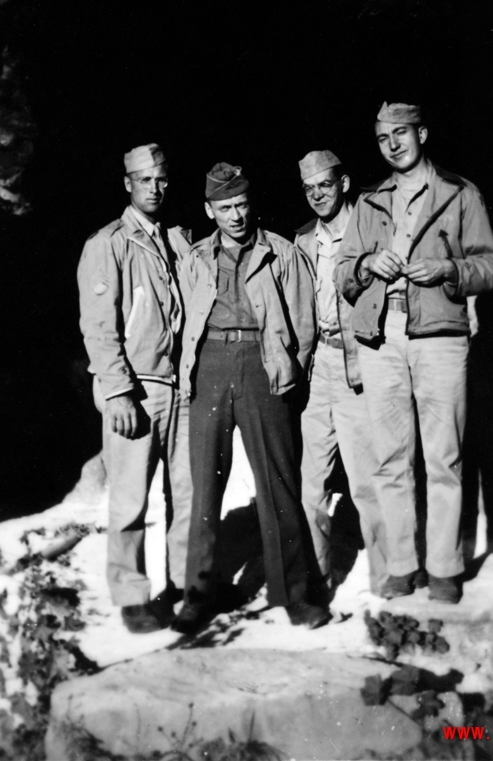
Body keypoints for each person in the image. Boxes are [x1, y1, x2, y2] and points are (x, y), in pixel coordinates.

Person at [335, 103, 493, 604]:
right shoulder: (369, 203)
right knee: (391, 458)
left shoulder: (459, 193)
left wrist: (448, 269)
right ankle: (403, 565)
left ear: (422, 134)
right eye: (383, 136)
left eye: (401, 133)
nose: (392, 144)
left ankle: (446, 567)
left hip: (440, 338)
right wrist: (366, 262)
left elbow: (490, 266)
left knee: (444, 458)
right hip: (381, 340)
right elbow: (343, 274)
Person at [174, 162, 328, 632]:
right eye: (225, 208)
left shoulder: (281, 253)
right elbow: (181, 316)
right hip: (210, 365)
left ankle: (295, 595)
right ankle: (198, 594)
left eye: (241, 204)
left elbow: (305, 324)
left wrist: (284, 368)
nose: (236, 216)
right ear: (209, 210)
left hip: (263, 364)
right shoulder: (195, 258)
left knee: (278, 485)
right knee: (204, 487)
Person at [77, 144, 192, 633]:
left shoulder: (177, 239)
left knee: (187, 494)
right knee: (129, 498)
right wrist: (118, 390)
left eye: (161, 179)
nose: (154, 187)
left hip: (180, 386)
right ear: (127, 183)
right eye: (144, 179)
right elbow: (99, 326)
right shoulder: (108, 243)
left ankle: (186, 587)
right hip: (138, 387)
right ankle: (131, 594)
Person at [294, 150, 388, 597]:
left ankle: (390, 580)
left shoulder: (371, 230)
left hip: (360, 365)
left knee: (367, 482)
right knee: (310, 484)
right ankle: (318, 578)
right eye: (309, 189)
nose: (317, 196)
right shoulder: (301, 241)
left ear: (344, 183)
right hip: (318, 370)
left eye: (325, 186)